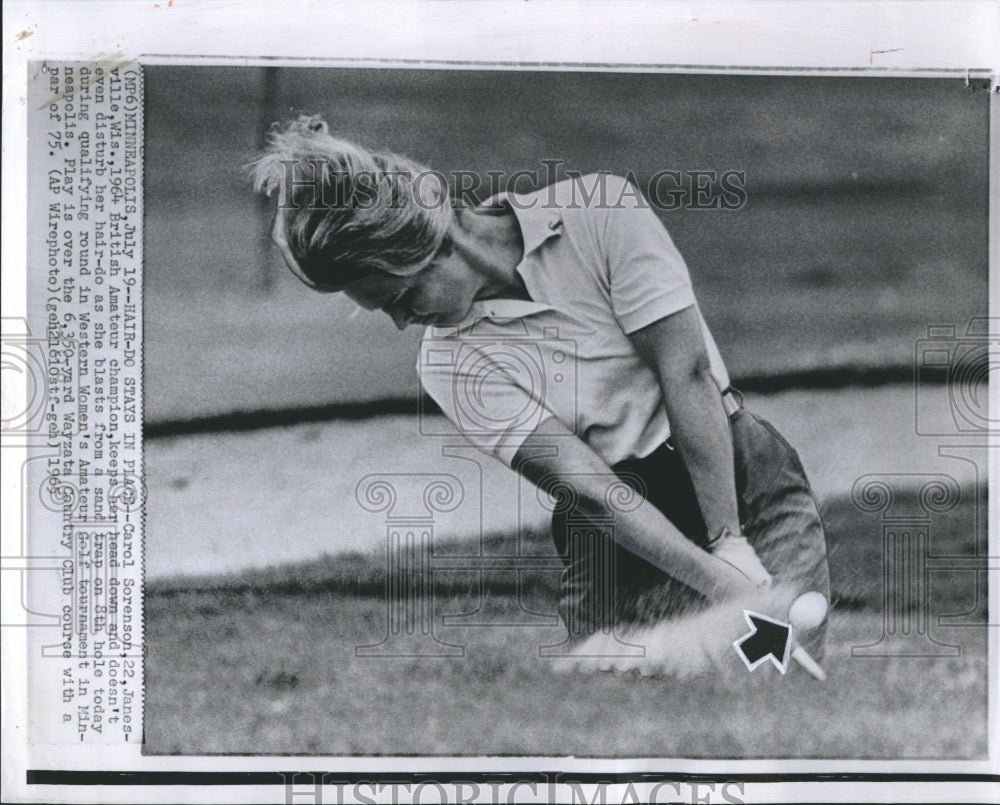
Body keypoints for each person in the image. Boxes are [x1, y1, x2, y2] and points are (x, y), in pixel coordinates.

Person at [253, 116, 831, 660]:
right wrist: (720, 583)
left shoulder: (601, 213)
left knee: (777, 672)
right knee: (627, 709)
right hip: (617, 535)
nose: (403, 323)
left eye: (400, 299)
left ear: (432, 244)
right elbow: (595, 491)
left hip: (735, 471)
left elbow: (687, 374)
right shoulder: (449, 364)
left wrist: (728, 540)